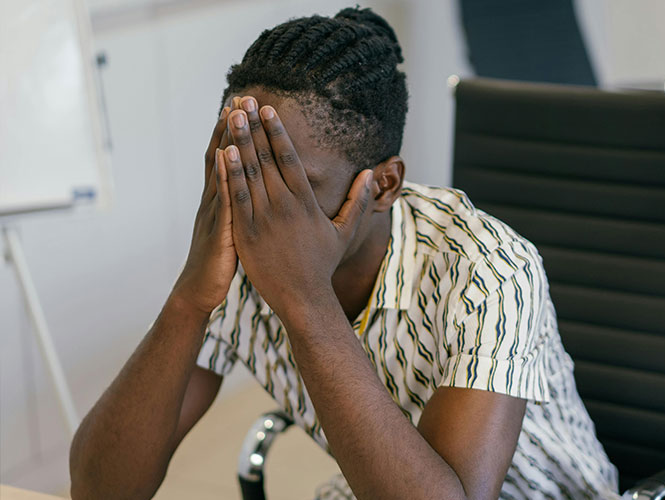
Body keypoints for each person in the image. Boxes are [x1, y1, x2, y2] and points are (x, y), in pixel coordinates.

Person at [69, 7, 621, 500]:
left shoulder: (489, 271)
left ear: (383, 186)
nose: (258, 206)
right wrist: (190, 299)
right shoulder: (235, 265)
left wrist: (306, 302)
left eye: (292, 184)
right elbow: (98, 489)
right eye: (241, 170)